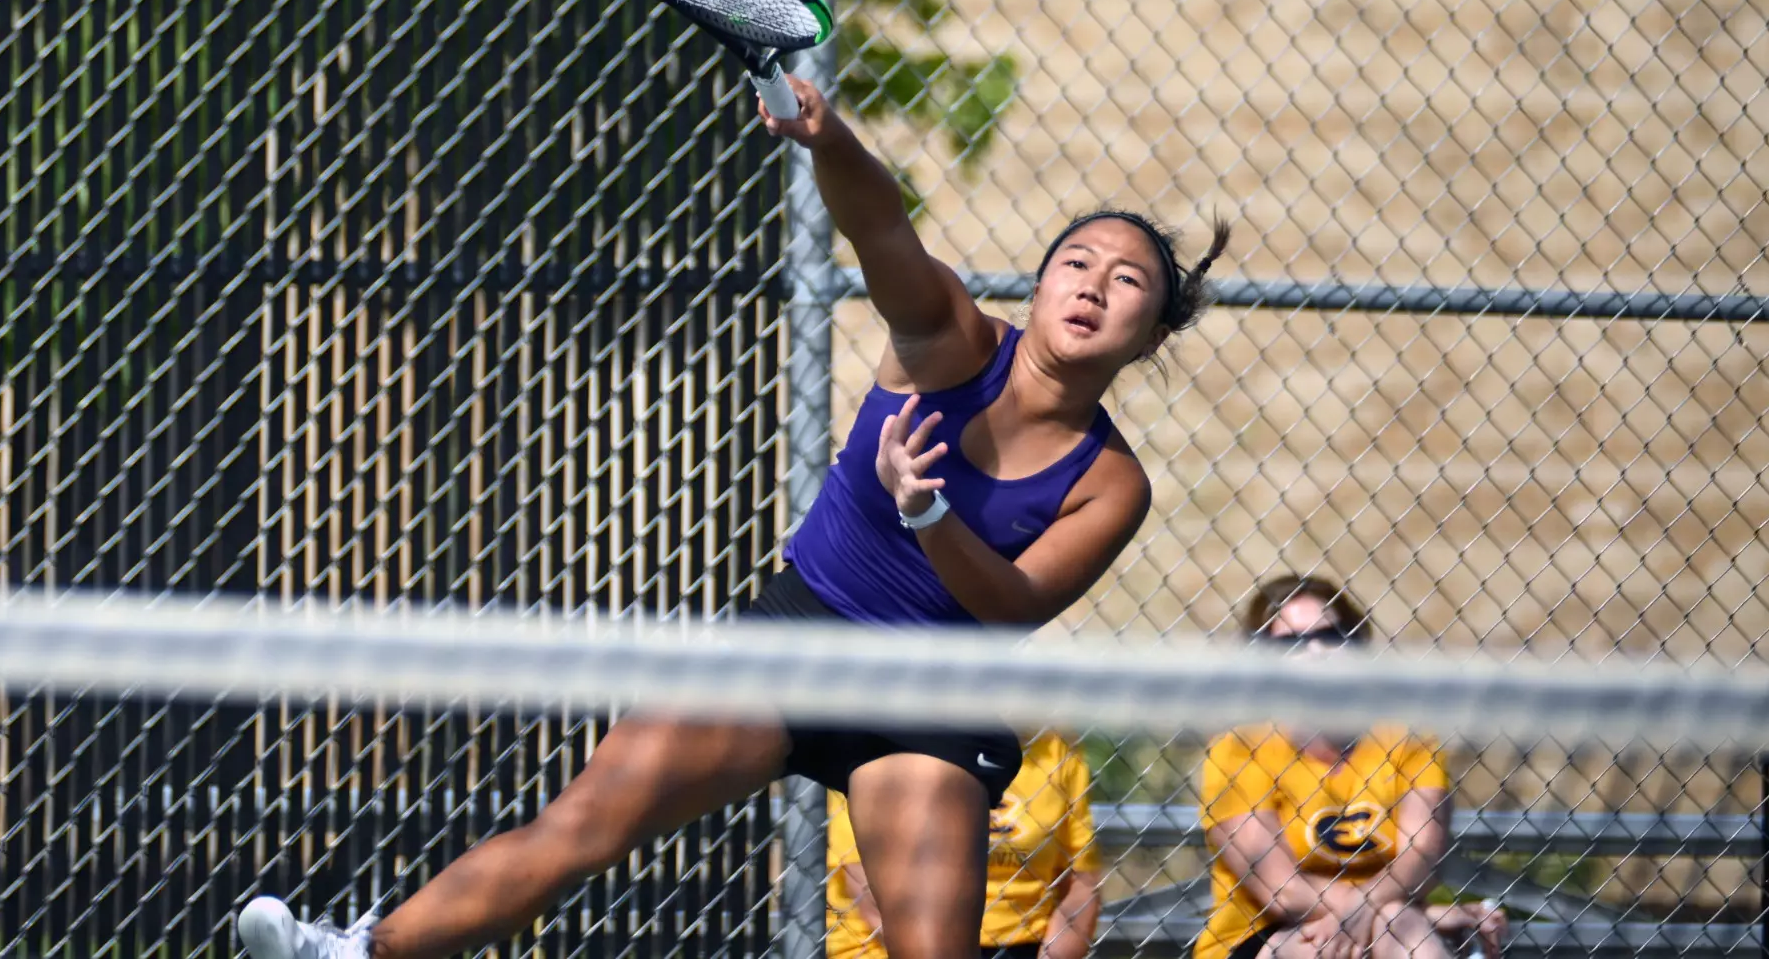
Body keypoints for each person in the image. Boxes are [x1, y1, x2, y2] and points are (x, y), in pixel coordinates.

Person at [235, 75, 1228, 959]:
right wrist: (828, 138)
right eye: (1076, 261)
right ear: (1042, 280)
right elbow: (882, 228)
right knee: (582, 825)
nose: (1092, 284)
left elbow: (1009, 605)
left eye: (1126, 280)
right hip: (795, 634)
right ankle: (357, 952)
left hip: (928, 693)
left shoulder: (1110, 481)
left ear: (1149, 335)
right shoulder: (951, 337)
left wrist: (927, 511)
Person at [1194, 574, 1507, 959]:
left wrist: (1371, 912)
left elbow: (1422, 857)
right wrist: (1415, 913)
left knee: (1398, 924)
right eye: (1291, 643)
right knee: (1388, 926)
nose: (1315, 651)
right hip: (1264, 934)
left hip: (1389, 920)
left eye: (1329, 636)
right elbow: (1282, 892)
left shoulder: (1406, 739)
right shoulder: (1238, 750)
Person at [827, 731, 1102, 959]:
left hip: (1024, 944)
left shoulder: (1056, 750)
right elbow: (866, 888)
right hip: (888, 945)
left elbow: (1082, 882)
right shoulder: (889, 741)